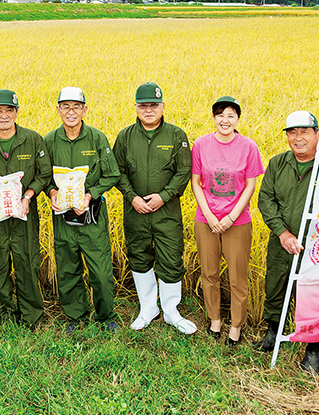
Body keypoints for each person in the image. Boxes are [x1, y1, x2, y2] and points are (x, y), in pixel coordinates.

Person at [113, 82, 197, 334]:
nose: (148, 110)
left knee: (171, 258)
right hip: (135, 211)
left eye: (154, 105)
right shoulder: (125, 136)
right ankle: (148, 308)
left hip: (166, 212)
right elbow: (118, 171)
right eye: (143, 105)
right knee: (139, 256)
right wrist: (132, 198)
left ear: (162, 106)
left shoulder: (175, 135)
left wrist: (164, 196)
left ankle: (171, 311)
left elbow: (184, 171)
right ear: (136, 107)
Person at [44, 87, 121, 332]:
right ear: (57, 110)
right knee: (68, 268)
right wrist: (52, 192)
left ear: (85, 110)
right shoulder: (50, 140)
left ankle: (105, 315)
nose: (71, 112)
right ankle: (75, 316)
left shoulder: (97, 138)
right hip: (62, 218)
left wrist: (90, 194)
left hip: (92, 217)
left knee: (100, 270)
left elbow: (112, 174)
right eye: (65, 106)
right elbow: (43, 176)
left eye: (76, 106)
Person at [0, 89, 52, 328]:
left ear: (17, 112)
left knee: (27, 262)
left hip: (24, 214)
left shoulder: (32, 139)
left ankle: (32, 315)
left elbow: (44, 173)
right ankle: (4, 315)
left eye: (9, 110)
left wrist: (27, 197)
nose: (4, 115)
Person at [256, 110, 319, 374]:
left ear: (317, 134)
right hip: (281, 241)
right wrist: (283, 234)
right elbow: (266, 199)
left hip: (315, 246)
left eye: (304, 132)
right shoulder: (278, 163)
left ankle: (314, 347)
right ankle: (273, 331)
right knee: (275, 284)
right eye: (292, 132)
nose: (298, 138)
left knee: (313, 294)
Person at [191, 96, 263, 346]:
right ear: (213, 118)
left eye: (230, 115)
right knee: (209, 273)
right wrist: (210, 216)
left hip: (238, 221)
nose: (225, 120)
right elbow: (196, 182)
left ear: (238, 119)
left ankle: (236, 325)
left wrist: (231, 217)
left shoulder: (248, 147)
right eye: (220, 114)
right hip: (206, 219)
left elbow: (251, 185)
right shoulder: (201, 144)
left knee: (237, 276)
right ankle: (214, 320)